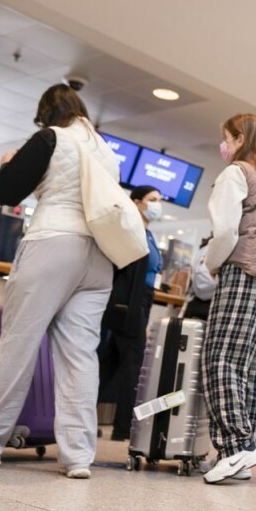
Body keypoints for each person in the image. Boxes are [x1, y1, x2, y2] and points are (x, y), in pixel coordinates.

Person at [0, 84, 119, 479]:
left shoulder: (50, 138)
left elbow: (7, 192)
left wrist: (7, 165)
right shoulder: (106, 150)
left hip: (54, 244)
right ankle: (77, 457)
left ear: (47, 114)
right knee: (79, 356)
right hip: (99, 257)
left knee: (17, 345)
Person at [200, 113, 256, 484]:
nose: (223, 145)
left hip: (244, 272)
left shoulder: (236, 172)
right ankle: (240, 453)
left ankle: (237, 445)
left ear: (238, 138)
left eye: (225, 138)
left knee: (220, 358)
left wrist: (211, 263)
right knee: (252, 365)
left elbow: (224, 231)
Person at [97, 185, 163, 441]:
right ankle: (123, 427)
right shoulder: (132, 230)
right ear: (137, 203)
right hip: (130, 302)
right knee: (132, 362)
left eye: (159, 200)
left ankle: (81, 414)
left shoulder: (148, 233)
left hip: (142, 300)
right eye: (152, 199)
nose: (158, 204)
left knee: (111, 362)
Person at [182, 236, 216, 321]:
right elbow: (204, 283)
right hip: (199, 308)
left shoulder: (207, 249)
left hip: (202, 307)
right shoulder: (208, 250)